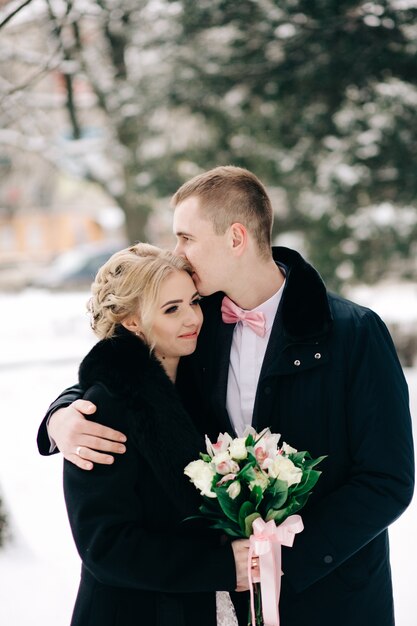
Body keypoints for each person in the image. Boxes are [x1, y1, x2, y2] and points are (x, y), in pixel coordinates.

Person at [37, 166, 415, 626]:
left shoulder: (354, 333)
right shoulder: (200, 322)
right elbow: (130, 367)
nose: (177, 253)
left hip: (331, 597)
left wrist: (278, 561)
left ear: (236, 238)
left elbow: (387, 479)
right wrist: (63, 413)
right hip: (223, 602)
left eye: (186, 238)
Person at [49, 242, 254, 626]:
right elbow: (105, 547)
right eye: (171, 309)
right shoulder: (103, 408)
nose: (192, 318)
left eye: (193, 302)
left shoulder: (198, 384)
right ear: (132, 321)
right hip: (133, 612)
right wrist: (220, 565)